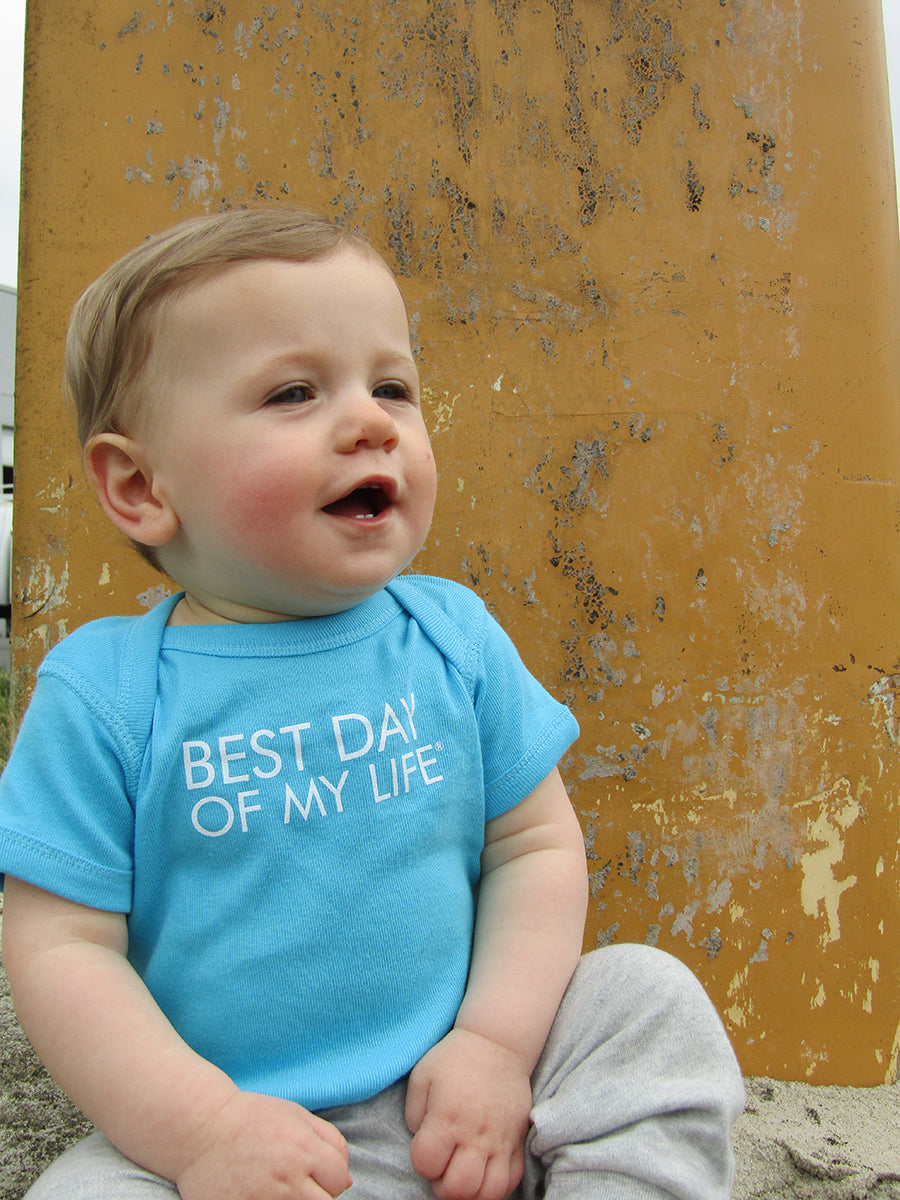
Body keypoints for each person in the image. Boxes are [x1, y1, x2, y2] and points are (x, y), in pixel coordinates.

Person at [0, 206, 744, 1200]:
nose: (372, 420)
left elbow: (536, 848)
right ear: (140, 487)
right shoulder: (107, 697)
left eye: (392, 384)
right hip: (244, 1135)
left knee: (645, 997)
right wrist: (202, 1130)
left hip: (473, 1100)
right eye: (295, 392)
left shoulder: (454, 637)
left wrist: (492, 1043)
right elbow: (59, 947)